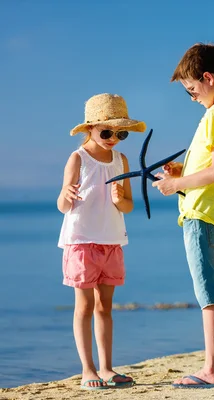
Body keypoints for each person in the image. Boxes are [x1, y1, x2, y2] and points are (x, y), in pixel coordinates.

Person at [153, 43, 214, 389]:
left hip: (202, 214)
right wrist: (183, 169)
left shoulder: (213, 115)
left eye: (192, 90)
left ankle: (211, 369)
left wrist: (174, 183)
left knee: (208, 293)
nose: (193, 97)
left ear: (207, 78)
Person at [58, 93, 145, 390]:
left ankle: (107, 367)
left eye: (120, 133)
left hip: (111, 241)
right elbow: (62, 203)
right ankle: (88, 369)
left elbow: (130, 205)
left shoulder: (121, 160)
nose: (113, 139)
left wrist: (121, 200)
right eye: (106, 132)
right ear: (89, 128)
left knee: (105, 308)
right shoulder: (78, 158)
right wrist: (66, 197)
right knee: (83, 307)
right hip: (81, 241)